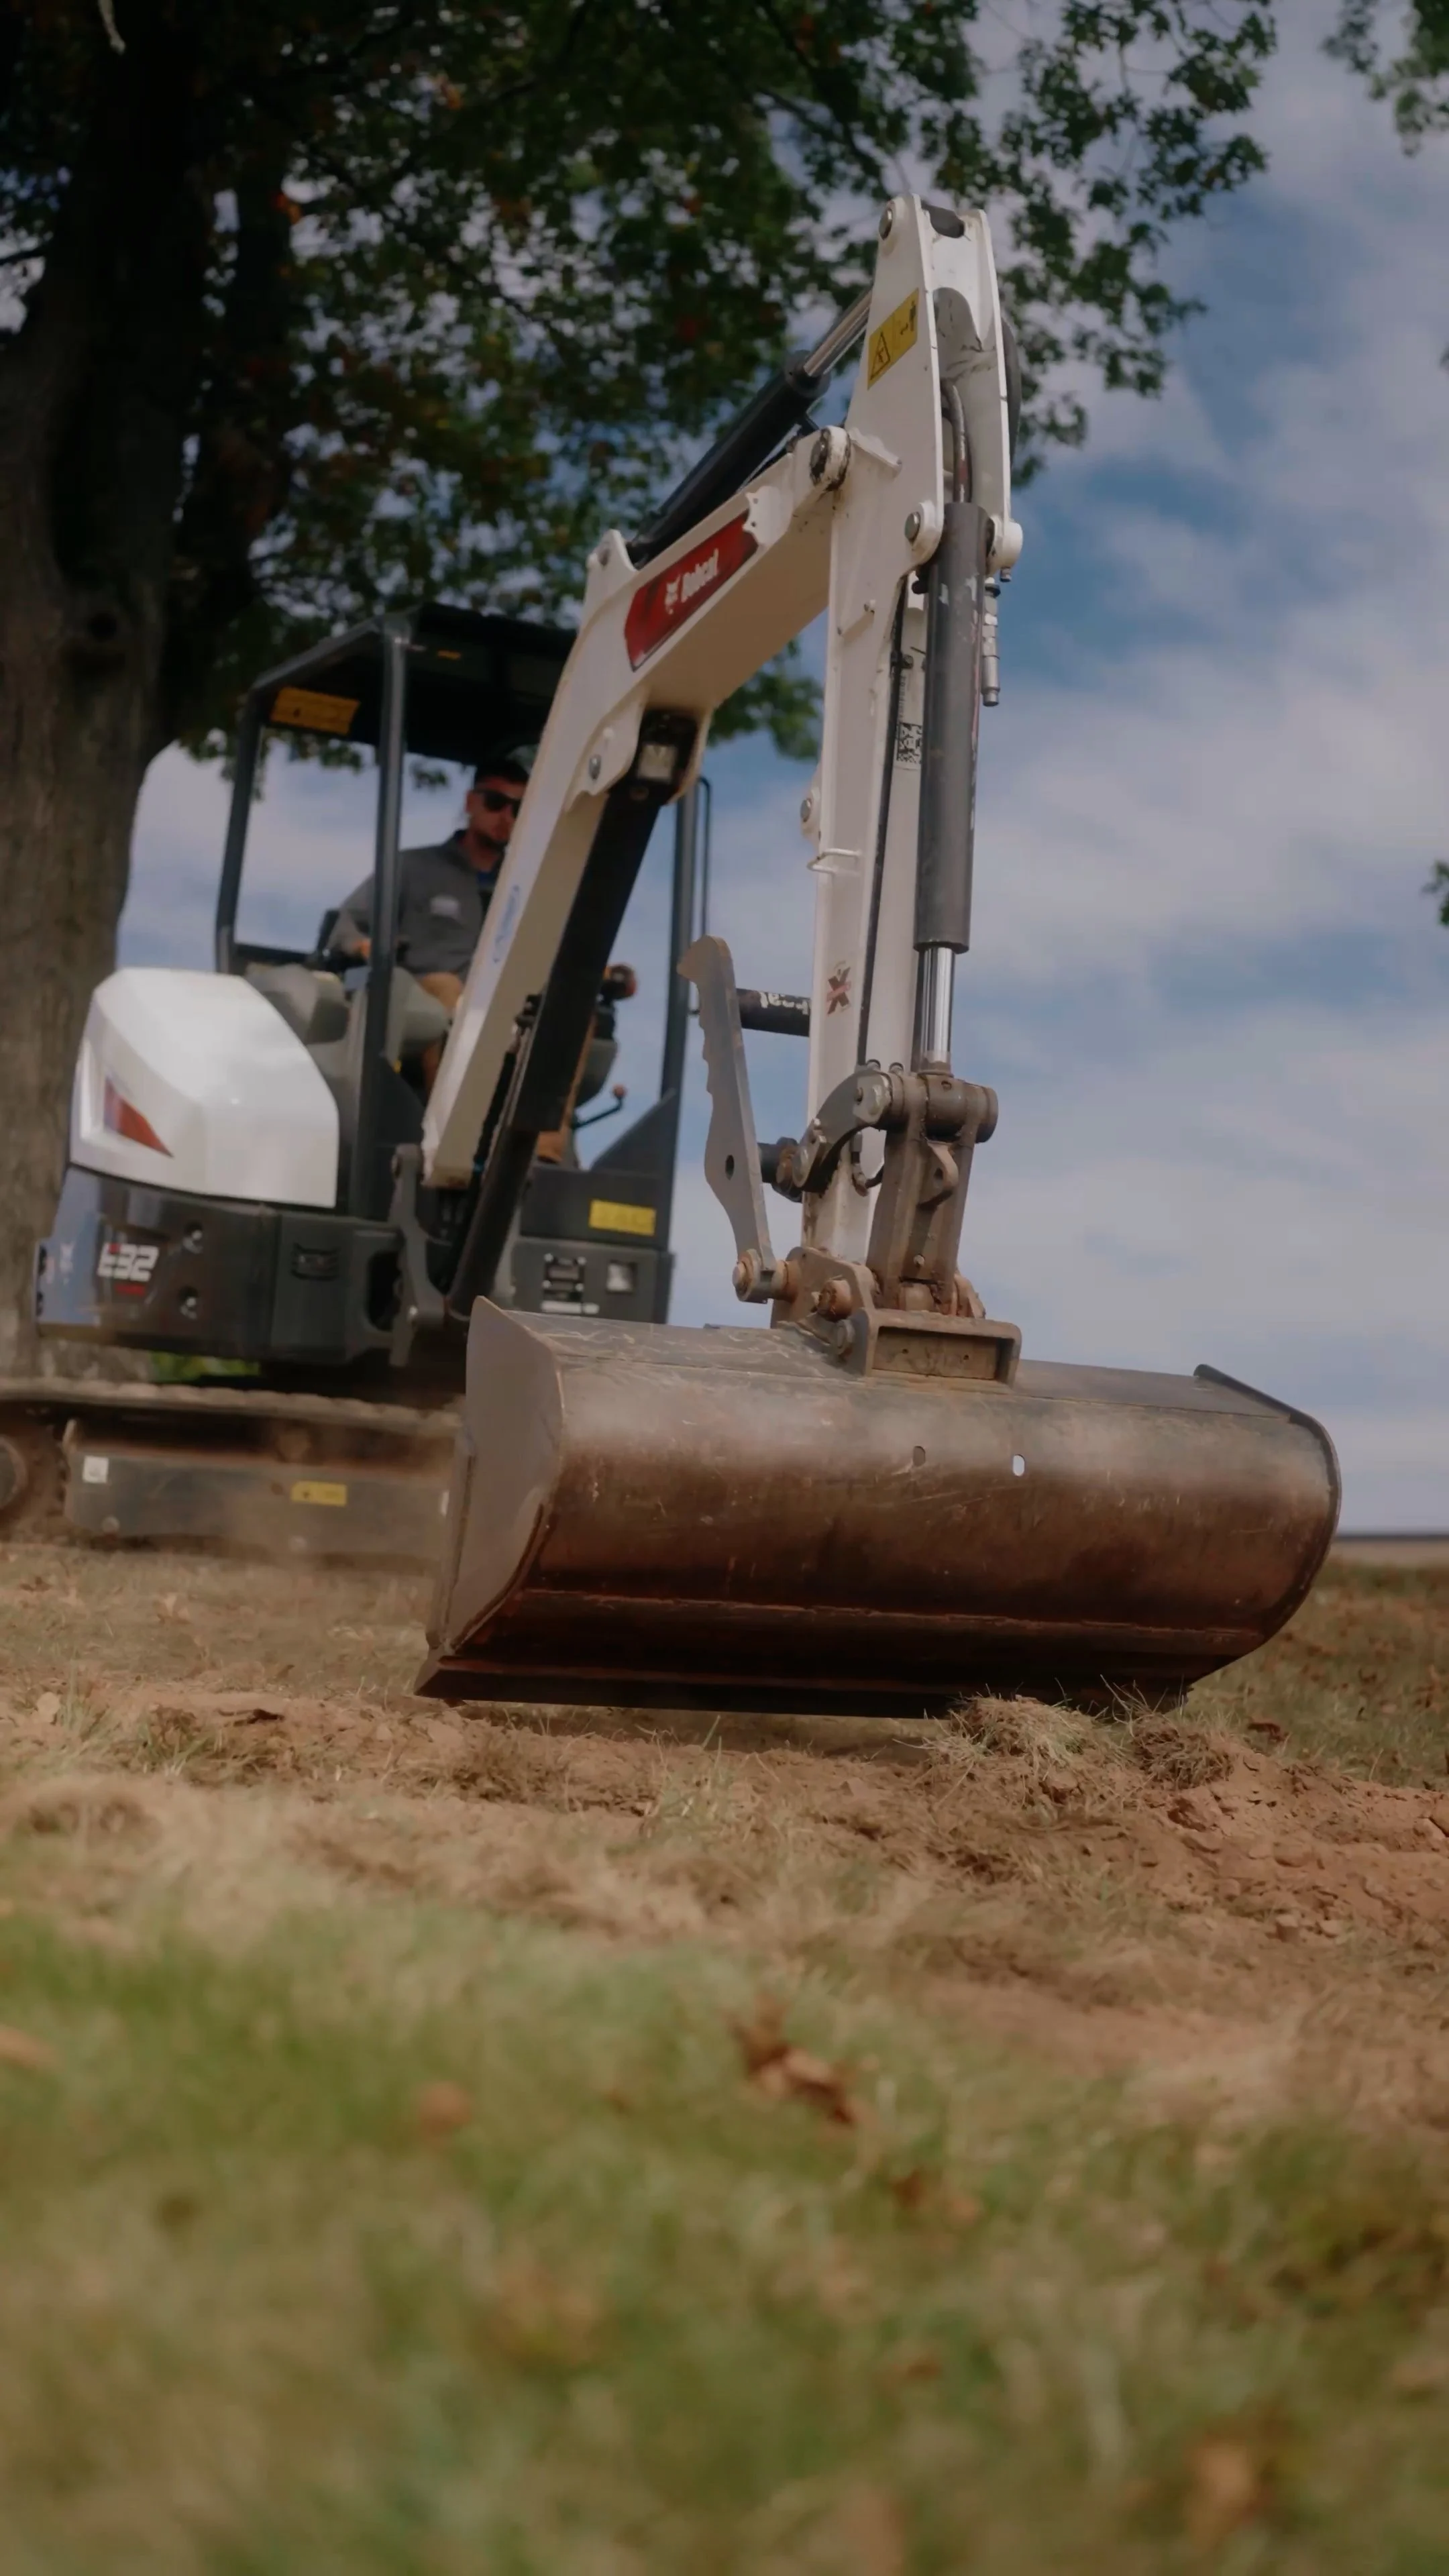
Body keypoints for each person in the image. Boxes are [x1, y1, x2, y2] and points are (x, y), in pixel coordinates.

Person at [332, 755, 527, 1013]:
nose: (506, 817)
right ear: (470, 803)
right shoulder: (412, 866)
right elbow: (347, 926)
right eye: (495, 803)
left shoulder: (525, 887)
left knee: (573, 1011)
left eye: (518, 809)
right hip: (413, 1000)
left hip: (493, 1007)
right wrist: (365, 946)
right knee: (446, 988)